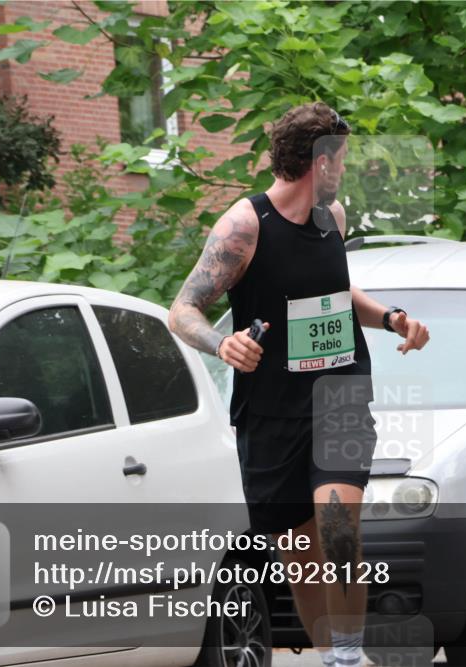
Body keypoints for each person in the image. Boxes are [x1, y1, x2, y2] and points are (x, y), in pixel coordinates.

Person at [168, 101, 430, 667]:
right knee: (301, 553)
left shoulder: (330, 220)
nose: (344, 171)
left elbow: (335, 293)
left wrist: (390, 318)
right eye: (341, 160)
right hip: (270, 412)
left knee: (338, 525)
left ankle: (351, 655)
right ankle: (334, 656)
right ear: (321, 161)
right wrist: (222, 343)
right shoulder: (242, 226)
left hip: (338, 393)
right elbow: (183, 309)